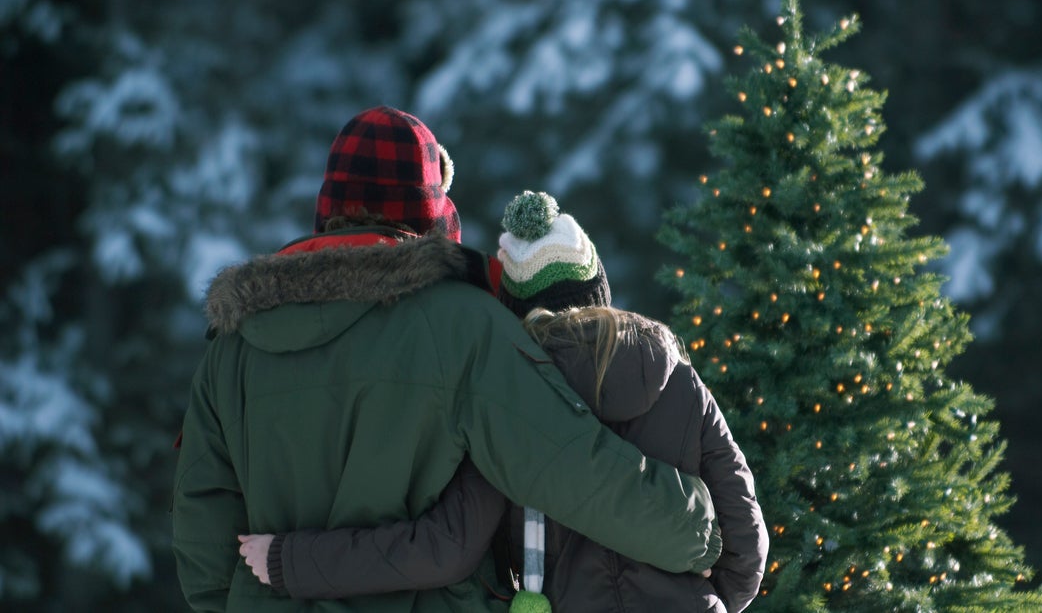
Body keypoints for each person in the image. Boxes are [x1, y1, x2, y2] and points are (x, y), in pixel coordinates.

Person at [171, 107, 723, 613]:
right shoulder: (465, 325)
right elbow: (569, 466)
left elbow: (203, 554)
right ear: (427, 207)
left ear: (328, 205)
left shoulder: (233, 348)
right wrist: (694, 530)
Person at [237, 191, 768, 612]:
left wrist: (292, 560)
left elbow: (446, 546)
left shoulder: (508, 392)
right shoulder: (675, 373)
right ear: (597, 285)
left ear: (512, 307)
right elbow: (745, 533)